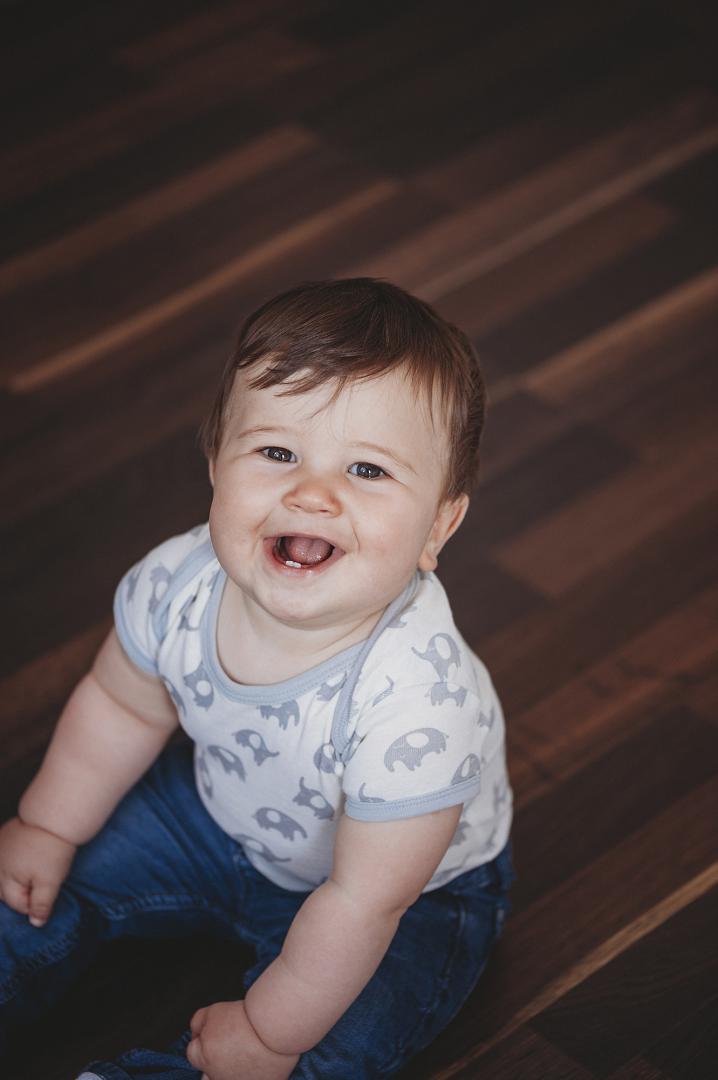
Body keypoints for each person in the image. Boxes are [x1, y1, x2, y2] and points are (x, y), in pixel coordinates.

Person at [0, 278, 515, 1080]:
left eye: (368, 470)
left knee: (325, 1049)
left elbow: (362, 900)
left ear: (438, 526)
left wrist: (272, 1032)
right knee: (27, 885)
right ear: (217, 464)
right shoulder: (178, 584)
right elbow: (120, 706)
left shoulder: (419, 704)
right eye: (277, 453)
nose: (312, 493)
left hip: (399, 897)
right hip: (217, 811)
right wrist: (47, 827)